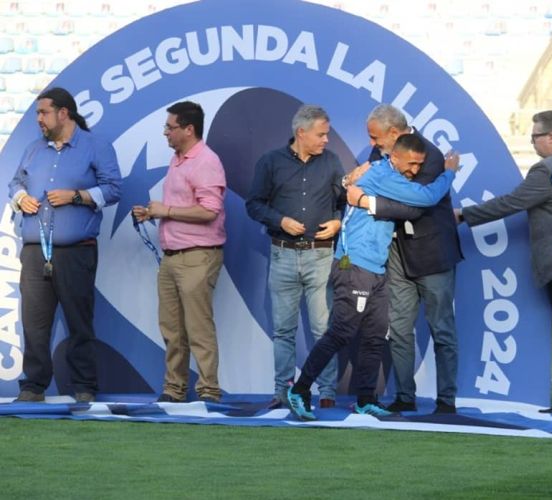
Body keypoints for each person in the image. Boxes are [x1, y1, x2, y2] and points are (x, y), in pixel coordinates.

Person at [285, 134, 459, 421]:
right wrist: (449, 171)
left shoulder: (391, 175)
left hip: (376, 268)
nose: (415, 171)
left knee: (375, 336)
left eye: (419, 165)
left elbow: (410, 205)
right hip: (355, 266)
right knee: (341, 331)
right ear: (395, 157)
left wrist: (360, 196)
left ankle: (366, 399)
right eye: (411, 164)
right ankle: (300, 390)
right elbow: (425, 199)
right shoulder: (381, 175)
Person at [455, 110, 552, 414]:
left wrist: (464, 215)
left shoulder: (547, 170)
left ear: (551, 137)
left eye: (535, 136)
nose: (532, 143)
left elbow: (512, 202)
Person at [347, 104, 462, 414]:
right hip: (397, 254)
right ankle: (405, 397)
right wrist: (353, 187)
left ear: (394, 133)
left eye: (375, 137)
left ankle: (446, 400)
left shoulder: (430, 155)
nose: (371, 145)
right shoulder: (379, 155)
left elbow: (416, 206)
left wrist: (368, 202)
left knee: (441, 328)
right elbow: (360, 185)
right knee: (398, 328)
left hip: (433, 254)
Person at [8, 87, 121, 403]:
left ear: (64, 113)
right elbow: (15, 182)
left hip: (76, 252)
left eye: (43, 113)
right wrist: (20, 198)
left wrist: (77, 196)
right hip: (33, 252)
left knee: (79, 321)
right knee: (33, 322)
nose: (38, 120)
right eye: (36, 114)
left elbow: (113, 189)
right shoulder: (33, 150)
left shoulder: (96, 147)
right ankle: (33, 387)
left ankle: (84, 387)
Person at [245, 104, 344, 409]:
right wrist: (280, 221)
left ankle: (326, 392)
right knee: (283, 330)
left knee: (323, 330)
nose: (326, 139)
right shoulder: (270, 162)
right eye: (321, 134)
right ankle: (282, 392)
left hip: (321, 257)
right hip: (283, 255)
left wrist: (339, 220)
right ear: (301, 133)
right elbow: (254, 204)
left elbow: (345, 201)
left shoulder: (331, 162)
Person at [132, 101, 226, 403]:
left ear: (189, 129)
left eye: (170, 128)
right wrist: (153, 213)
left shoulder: (206, 161)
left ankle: (208, 391)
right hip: (172, 257)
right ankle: (175, 389)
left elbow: (210, 211)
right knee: (172, 328)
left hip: (198, 255)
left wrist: (167, 210)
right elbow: (185, 207)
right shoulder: (178, 159)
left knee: (198, 327)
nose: (165, 133)